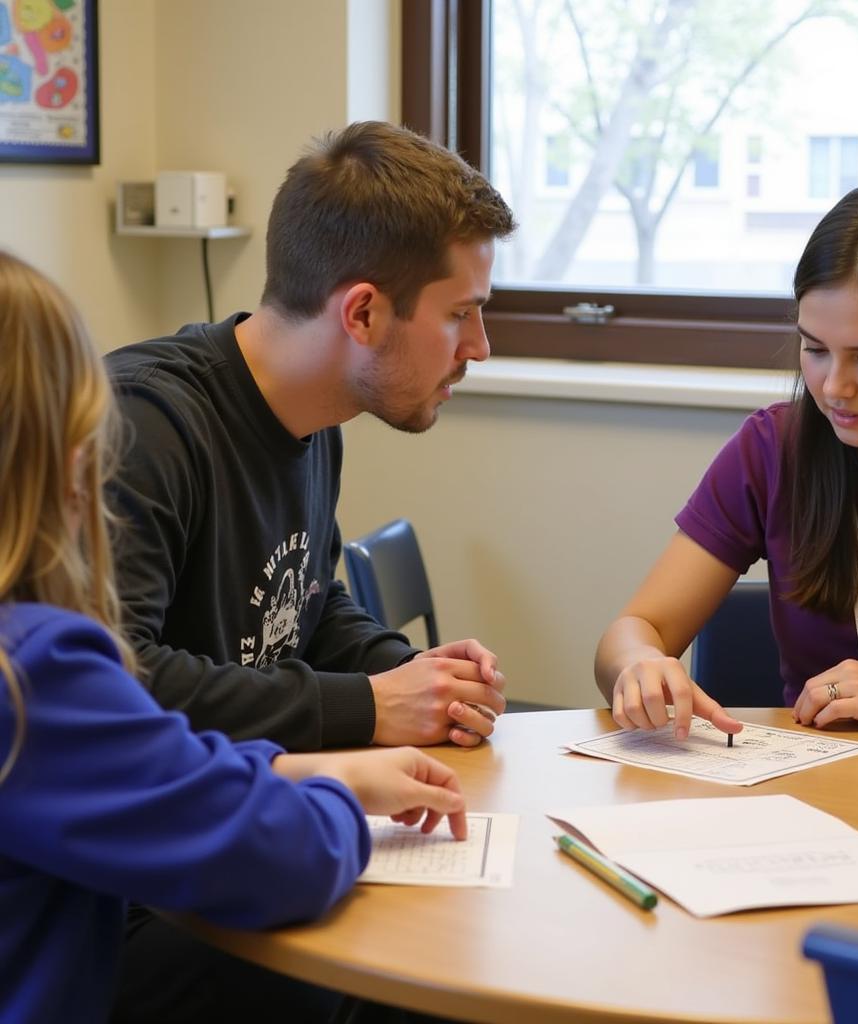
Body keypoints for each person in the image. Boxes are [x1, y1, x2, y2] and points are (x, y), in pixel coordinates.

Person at [0, 249, 469, 1024]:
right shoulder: (32, 669)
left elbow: (156, 758)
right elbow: (279, 856)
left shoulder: (318, 433)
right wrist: (337, 790)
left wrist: (380, 705)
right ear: (64, 451)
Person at [105, 120, 516, 752]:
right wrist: (371, 707)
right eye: (460, 314)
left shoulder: (316, 420)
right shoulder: (141, 425)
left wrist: (410, 672)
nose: (480, 347)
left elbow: (307, 608)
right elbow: (118, 682)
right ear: (363, 313)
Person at [596, 178, 858, 737]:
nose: (834, 388)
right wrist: (639, 665)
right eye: (815, 350)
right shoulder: (773, 448)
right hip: (817, 794)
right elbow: (635, 628)